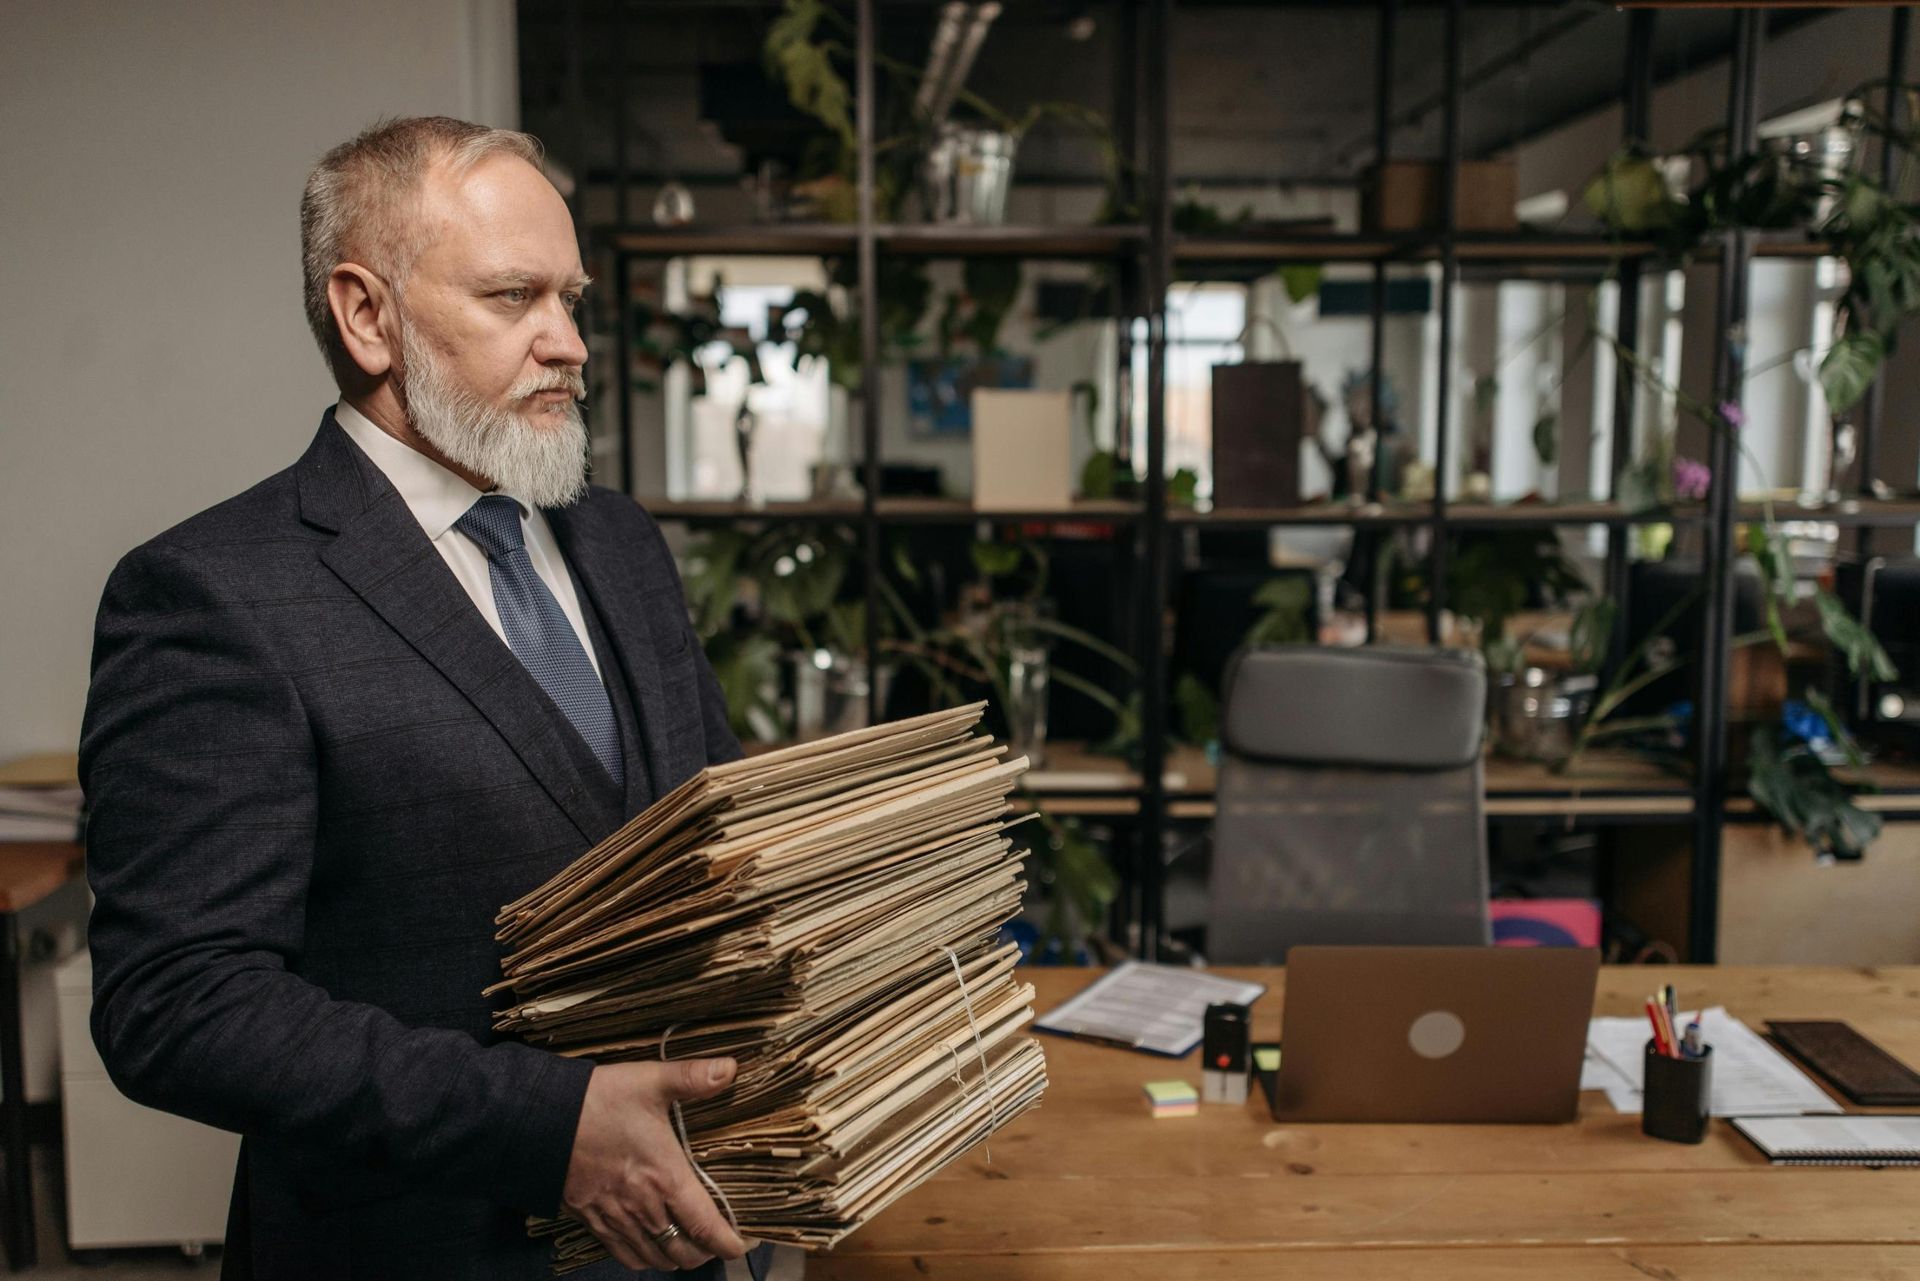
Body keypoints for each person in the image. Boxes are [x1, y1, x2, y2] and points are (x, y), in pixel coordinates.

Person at [78, 116, 759, 1279]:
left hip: (680, 1237)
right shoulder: (214, 592)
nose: (569, 344)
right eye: (513, 298)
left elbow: (710, 833)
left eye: (573, 299)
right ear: (367, 316)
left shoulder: (620, 539)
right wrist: (545, 1127)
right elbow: (179, 1002)